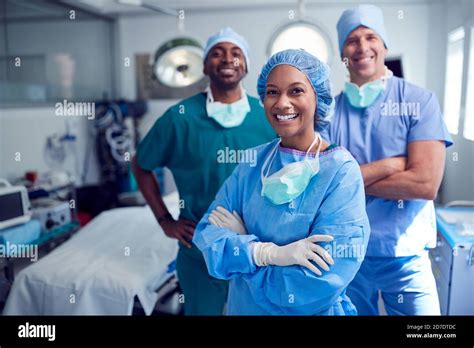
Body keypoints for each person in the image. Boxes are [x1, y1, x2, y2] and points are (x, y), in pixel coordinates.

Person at [193, 49, 371, 315]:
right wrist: (267, 253)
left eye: (296, 91)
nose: (282, 103)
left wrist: (244, 252)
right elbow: (208, 235)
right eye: (272, 92)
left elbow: (320, 281)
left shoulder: (340, 171)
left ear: (318, 97)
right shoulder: (253, 162)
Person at [320, 4, 453, 315]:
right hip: (347, 254)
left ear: (384, 44)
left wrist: (350, 180)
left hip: (405, 254)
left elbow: (425, 184)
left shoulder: (419, 101)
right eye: (352, 40)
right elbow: (325, 185)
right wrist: (392, 165)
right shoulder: (328, 115)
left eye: (370, 37)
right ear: (342, 52)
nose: (362, 47)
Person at [132, 27, 275, 315]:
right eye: (217, 53)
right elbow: (140, 164)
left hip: (258, 248)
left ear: (245, 65)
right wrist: (164, 220)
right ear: (205, 65)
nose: (227, 59)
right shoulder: (180, 118)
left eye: (236, 53)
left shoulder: (268, 116)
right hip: (200, 252)